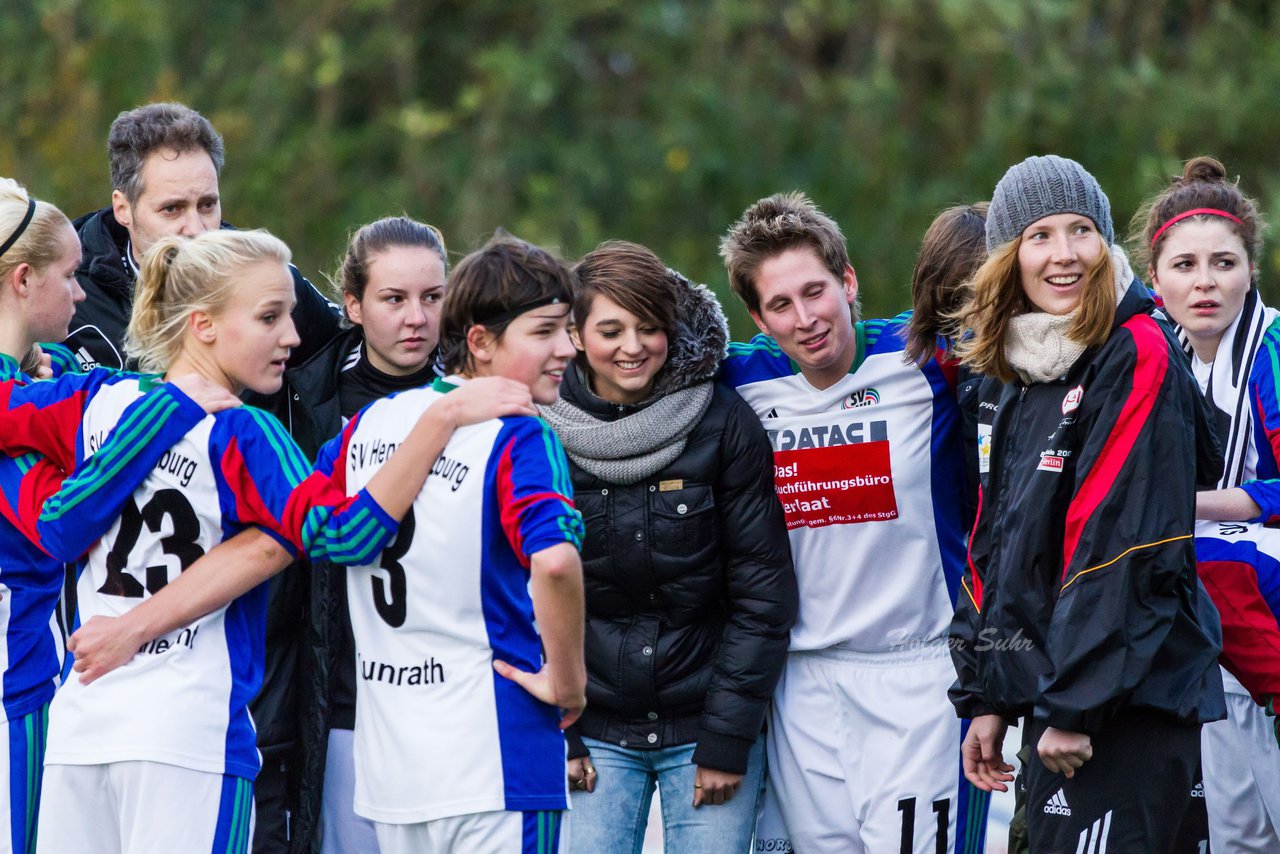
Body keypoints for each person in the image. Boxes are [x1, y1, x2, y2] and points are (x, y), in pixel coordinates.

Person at [61, 232, 587, 854]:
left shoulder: (94, 399)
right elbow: (346, 535)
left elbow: (53, 527)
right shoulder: (251, 434)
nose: (293, 335)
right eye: (270, 317)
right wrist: (572, 683)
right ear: (203, 324)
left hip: (85, 720)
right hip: (195, 730)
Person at [64, 102, 343, 849]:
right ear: (123, 210)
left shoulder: (263, 297)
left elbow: (345, 376)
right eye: (172, 207)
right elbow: (327, 526)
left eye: (210, 203)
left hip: (216, 665)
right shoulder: (76, 319)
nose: (195, 227)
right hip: (101, 689)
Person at [949, 154, 1225, 853]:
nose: (1064, 254)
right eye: (1039, 235)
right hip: (1059, 699)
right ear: (1007, 256)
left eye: (1081, 230)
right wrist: (988, 693)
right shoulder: (1024, 361)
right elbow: (1000, 542)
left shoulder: (1136, 351)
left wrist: (1075, 704)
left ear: (1105, 243)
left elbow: (1122, 547)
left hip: (1119, 707)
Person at [718, 193, 988, 853]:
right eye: (781, 305)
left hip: (919, 674)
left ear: (848, 281)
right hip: (801, 687)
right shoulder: (737, 381)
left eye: (816, 291)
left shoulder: (924, 357)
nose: (806, 318)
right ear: (757, 317)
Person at [0, 178, 255, 853]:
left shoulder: (53, 382)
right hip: (18, 694)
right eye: (71, 276)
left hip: (54, 690)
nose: (82, 295)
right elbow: (56, 522)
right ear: (24, 280)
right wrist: (167, 410)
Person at [537, 241, 795, 854]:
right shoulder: (535, 429)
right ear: (574, 334)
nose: (633, 346)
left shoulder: (723, 422)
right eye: (611, 329)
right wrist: (560, 730)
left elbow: (763, 593)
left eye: (650, 327)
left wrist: (728, 740)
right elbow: (517, 593)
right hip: (590, 725)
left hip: (706, 722)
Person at [290, 216, 450, 853]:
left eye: (431, 297)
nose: (416, 317)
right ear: (352, 305)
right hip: (342, 695)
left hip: (448, 693)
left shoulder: (480, 394)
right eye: (394, 299)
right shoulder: (301, 394)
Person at [1135, 155, 1280, 851]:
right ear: (1154, 279)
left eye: (1223, 263)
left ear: (1251, 269)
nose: (1204, 282)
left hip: (1265, 603)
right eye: (1184, 265)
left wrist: (1203, 504)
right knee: (1237, 836)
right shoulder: (1151, 356)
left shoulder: (1272, 349)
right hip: (1205, 627)